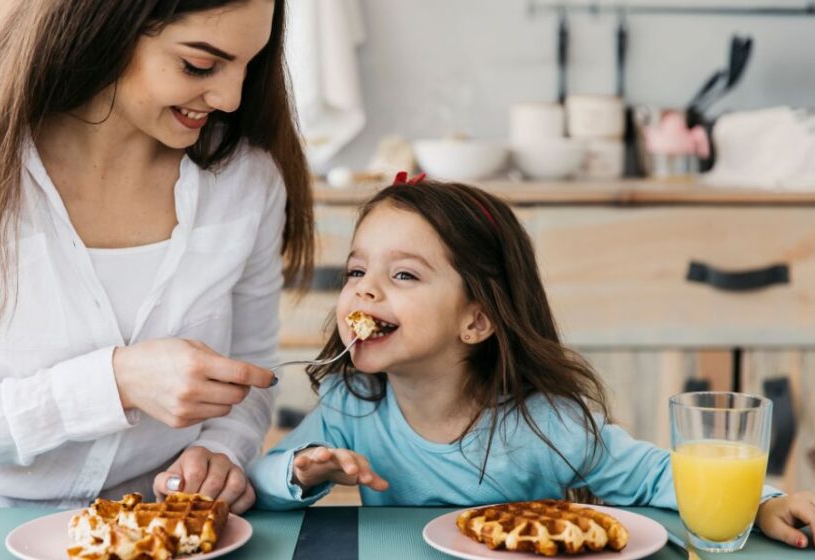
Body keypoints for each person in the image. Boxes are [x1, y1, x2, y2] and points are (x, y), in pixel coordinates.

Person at [249, 177, 815, 549]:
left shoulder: (545, 423)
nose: (364, 292)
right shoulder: (354, 405)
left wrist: (765, 502)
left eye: (403, 275)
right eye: (355, 272)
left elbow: (654, 476)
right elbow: (265, 481)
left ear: (476, 320)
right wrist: (302, 470)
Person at [0, 0, 313, 513]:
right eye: (198, 65)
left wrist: (220, 450)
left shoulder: (247, 181)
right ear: (106, 26)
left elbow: (253, 372)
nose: (231, 98)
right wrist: (117, 383)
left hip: (165, 522)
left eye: (249, 64)